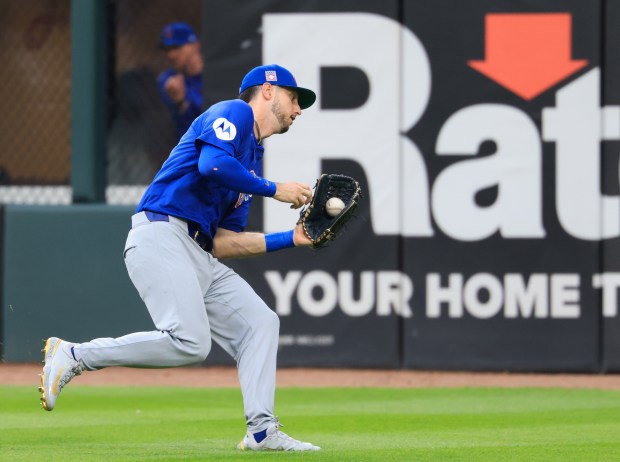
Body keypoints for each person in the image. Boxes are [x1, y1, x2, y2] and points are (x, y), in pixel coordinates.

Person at [39, 64, 322, 452]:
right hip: (161, 232)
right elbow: (212, 165)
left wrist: (290, 237)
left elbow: (224, 243)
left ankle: (261, 431)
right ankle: (75, 355)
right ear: (268, 92)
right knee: (190, 342)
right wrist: (275, 190)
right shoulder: (234, 113)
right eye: (294, 97)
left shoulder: (252, 161)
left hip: (198, 251)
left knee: (260, 323)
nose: (299, 109)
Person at [158, 22, 204, 140]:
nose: (171, 55)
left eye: (176, 47)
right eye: (167, 49)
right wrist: (181, 103)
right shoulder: (168, 79)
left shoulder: (217, 73)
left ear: (195, 45)